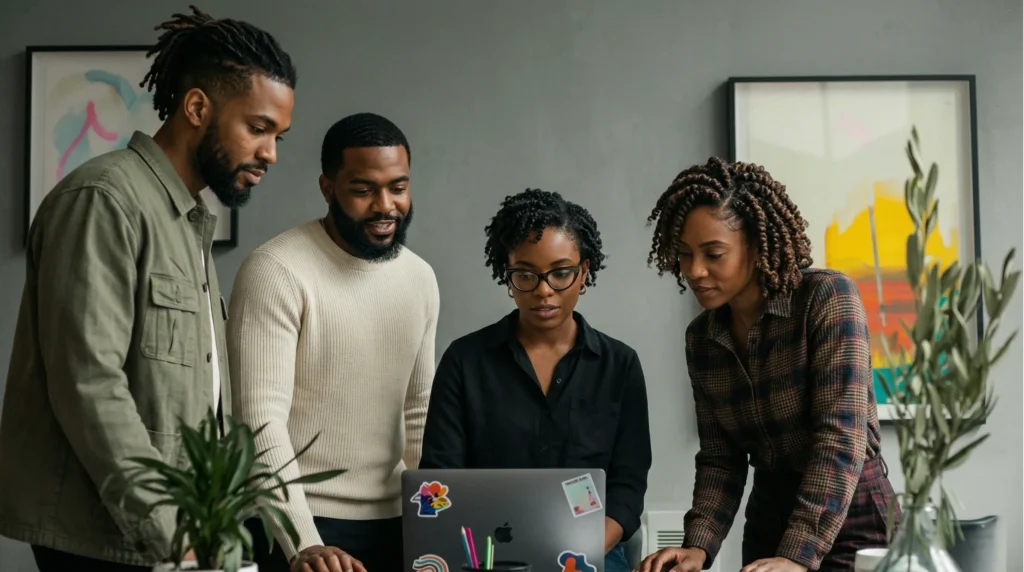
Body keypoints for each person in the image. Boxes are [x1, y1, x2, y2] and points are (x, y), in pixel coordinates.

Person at [0, 6, 295, 572]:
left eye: (278, 135)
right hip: (105, 540)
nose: (270, 154)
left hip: (180, 538)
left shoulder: (187, 222)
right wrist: (173, 531)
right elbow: (89, 385)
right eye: (257, 129)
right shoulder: (104, 200)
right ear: (197, 107)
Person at [637, 157, 900, 572]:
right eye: (685, 255)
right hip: (769, 518)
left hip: (854, 515)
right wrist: (698, 546)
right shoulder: (701, 339)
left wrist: (796, 555)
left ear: (757, 248)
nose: (694, 271)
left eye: (714, 254)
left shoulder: (827, 298)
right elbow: (720, 457)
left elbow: (839, 440)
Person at [228, 112, 440, 572]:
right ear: (328, 188)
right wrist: (304, 543)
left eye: (398, 187)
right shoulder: (275, 271)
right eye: (364, 190)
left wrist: (440, 519)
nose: (385, 206)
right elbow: (260, 422)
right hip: (299, 525)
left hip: (399, 521)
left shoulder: (420, 277)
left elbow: (418, 409)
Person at [420, 188, 652, 572]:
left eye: (561, 273)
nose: (544, 290)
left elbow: (628, 486)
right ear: (507, 276)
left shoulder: (619, 366)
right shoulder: (465, 361)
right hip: (485, 553)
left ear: (584, 273)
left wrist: (584, 548)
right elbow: (440, 477)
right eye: (526, 274)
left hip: (588, 552)